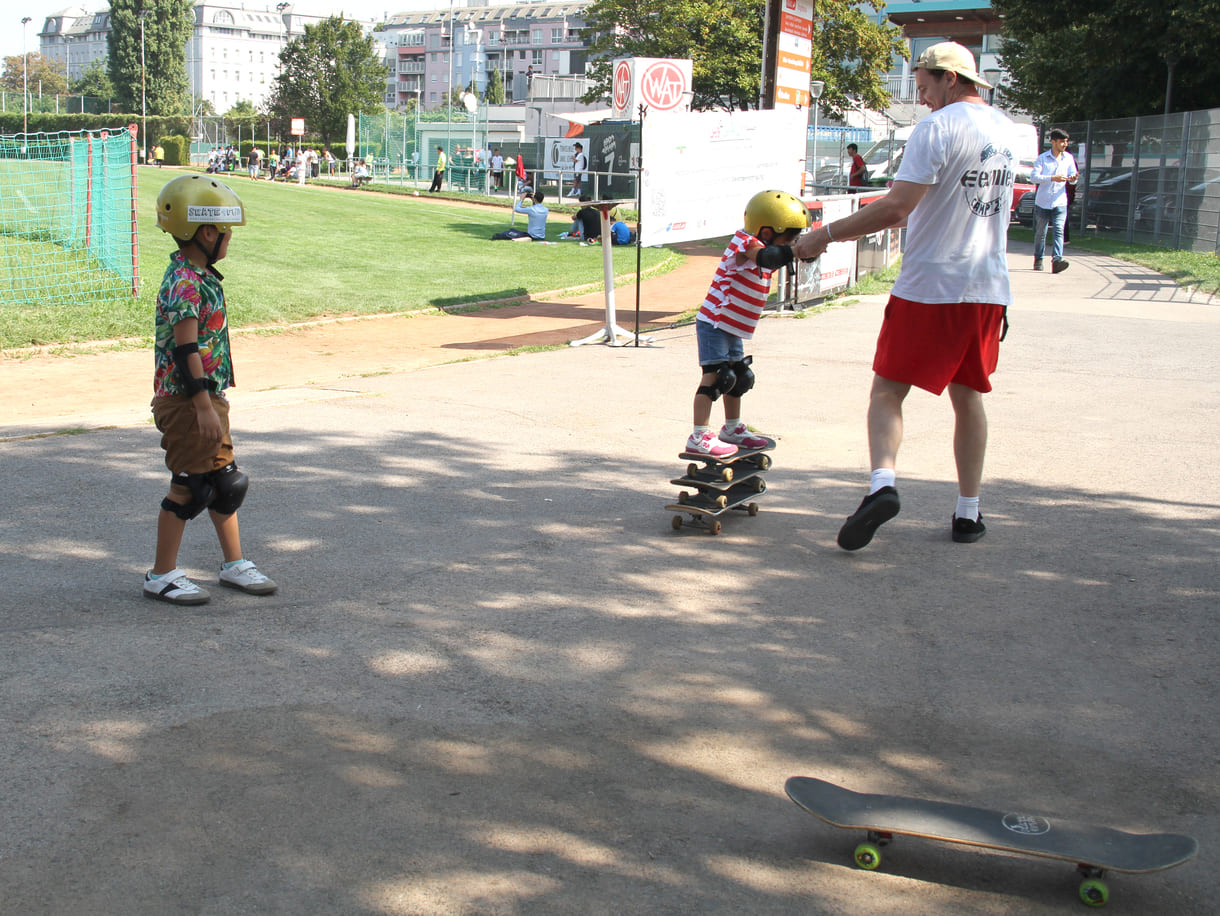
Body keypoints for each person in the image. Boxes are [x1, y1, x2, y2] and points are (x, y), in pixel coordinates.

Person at [794, 41, 1016, 549]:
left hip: (930, 287)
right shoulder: (1004, 130)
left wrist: (822, 236)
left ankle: (882, 487)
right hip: (987, 287)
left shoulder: (937, 130)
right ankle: (968, 513)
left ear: (950, 79)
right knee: (969, 398)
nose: (924, 101)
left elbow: (896, 208)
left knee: (888, 392)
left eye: (925, 88)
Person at [144, 175, 277, 605]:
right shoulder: (184, 281)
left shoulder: (200, 275)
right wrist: (202, 404)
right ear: (205, 232)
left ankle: (234, 563)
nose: (229, 240)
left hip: (206, 397)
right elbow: (186, 349)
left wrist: (211, 401)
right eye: (226, 232)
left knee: (224, 481)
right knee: (190, 486)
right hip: (186, 400)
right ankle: (161, 574)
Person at [686, 190, 810, 457]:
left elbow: (777, 255)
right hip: (715, 322)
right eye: (790, 236)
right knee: (717, 377)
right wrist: (795, 251)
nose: (792, 241)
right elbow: (766, 257)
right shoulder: (744, 243)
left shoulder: (764, 245)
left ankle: (732, 429)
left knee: (739, 377)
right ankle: (699, 436)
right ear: (766, 232)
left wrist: (806, 249)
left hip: (732, 326)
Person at [1031, 128, 1077, 273]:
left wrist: (1073, 179)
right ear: (1053, 141)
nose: (1065, 144)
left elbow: (1072, 177)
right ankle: (1038, 258)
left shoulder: (1068, 158)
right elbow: (1034, 177)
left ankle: (1057, 260)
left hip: (1060, 201)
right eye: (1062, 141)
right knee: (1041, 232)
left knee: (1059, 231)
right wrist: (1052, 178)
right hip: (1043, 202)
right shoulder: (1043, 158)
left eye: (1066, 141)